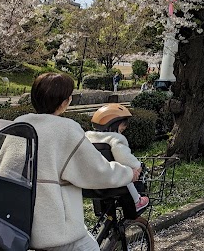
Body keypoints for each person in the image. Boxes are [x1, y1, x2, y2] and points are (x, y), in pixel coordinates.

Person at [9, 72, 139, 251]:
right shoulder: (66, 129)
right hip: (55, 231)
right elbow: (97, 171)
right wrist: (128, 173)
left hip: (16, 224)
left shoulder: (19, 125)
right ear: (65, 102)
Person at [85, 104, 150, 212]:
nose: (125, 127)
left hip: (91, 180)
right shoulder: (115, 139)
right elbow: (124, 158)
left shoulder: (88, 138)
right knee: (126, 173)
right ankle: (137, 202)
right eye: (123, 124)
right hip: (112, 180)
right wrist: (137, 166)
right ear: (114, 124)